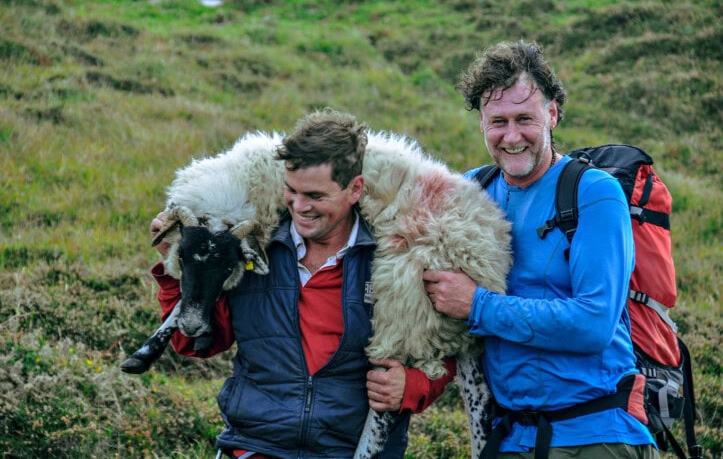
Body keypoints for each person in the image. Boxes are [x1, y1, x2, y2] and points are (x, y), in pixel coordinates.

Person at [150, 108, 453, 459]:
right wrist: (176, 268)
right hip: (254, 448)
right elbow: (196, 343)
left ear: (355, 189)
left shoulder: (395, 257)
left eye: (315, 196)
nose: (300, 206)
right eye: (291, 191)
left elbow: (446, 346)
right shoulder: (252, 246)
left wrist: (412, 386)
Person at [423, 40, 660, 459]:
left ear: (551, 114)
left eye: (524, 119)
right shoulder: (469, 192)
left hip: (596, 434)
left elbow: (593, 323)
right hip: (511, 438)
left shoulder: (593, 193)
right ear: (481, 122)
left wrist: (477, 306)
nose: (511, 137)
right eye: (498, 121)